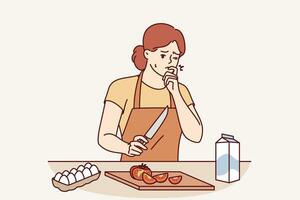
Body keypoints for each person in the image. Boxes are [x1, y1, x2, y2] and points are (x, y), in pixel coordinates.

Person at [98, 23, 203, 161]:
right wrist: (127, 148)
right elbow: (104, 136)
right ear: (148, 54)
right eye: (163, 55)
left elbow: (195, 136)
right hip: (130, 171)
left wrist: (175, 93)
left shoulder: (180, 90)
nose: (170, 62)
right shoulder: (121, 87)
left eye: (175, 57)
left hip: (169, 171)